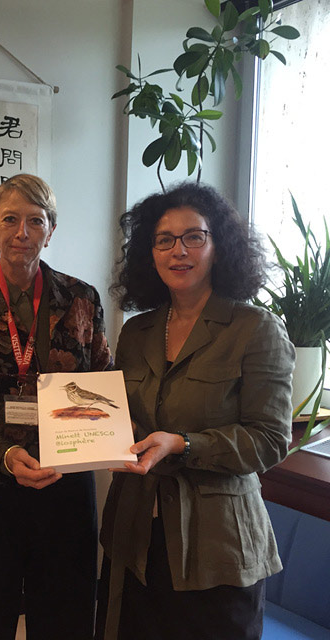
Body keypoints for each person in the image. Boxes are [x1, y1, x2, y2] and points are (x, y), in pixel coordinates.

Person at [95, 182, 295, 640]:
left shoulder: (256, 330)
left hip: (216, 545)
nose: (178, 250)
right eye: (164, 240)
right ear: (150, 253)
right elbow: (120, 414)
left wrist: (183, 444)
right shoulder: (137, 332)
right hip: (134, 535)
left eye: (194, 237)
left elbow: (269, 440)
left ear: (218, 245)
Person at [0, 174, 112, 640]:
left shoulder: (82, 300)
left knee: (67, 620)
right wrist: (6, 456)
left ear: (51, 230)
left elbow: (101, 385)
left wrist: (104, 439)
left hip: (66, 489)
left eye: (36, 221)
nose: (22, 233)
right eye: (10, 219)